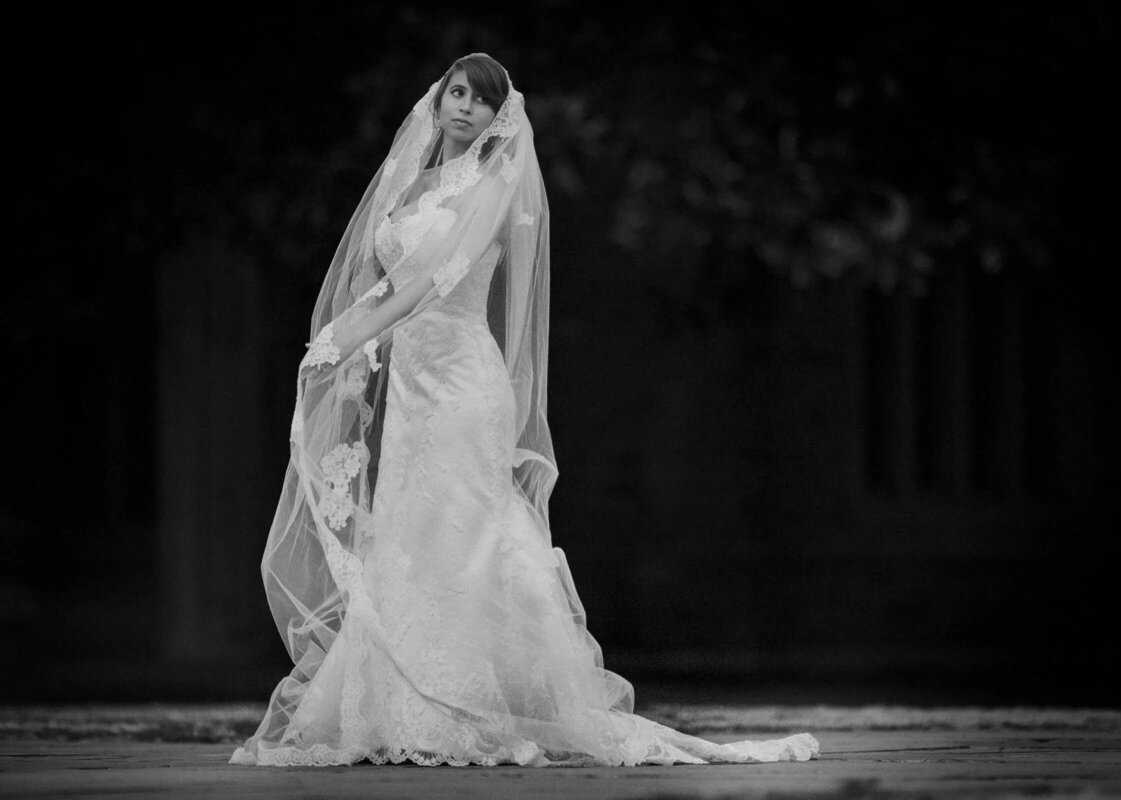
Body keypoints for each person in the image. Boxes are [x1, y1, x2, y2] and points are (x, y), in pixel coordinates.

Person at [229, 53, 819, 768]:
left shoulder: (493, 183)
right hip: (413, 381)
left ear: (497, 117)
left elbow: (425, 280)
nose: (466, 108)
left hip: (461, 378)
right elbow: (376, 275)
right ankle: (397, 701)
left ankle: (479, 702)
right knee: (412, 532)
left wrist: (341, 337)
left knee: (469, 532)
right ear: (437, 99)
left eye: (483, 101)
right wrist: (349, 345)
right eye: (457, 93)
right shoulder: (409, 183)